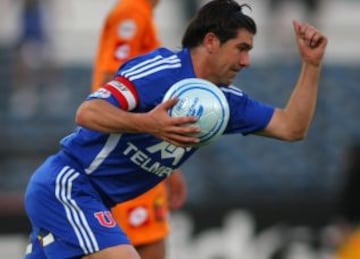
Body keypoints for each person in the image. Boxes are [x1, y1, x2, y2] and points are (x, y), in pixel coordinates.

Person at [24, 0, 328, 258]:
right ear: (211, 41)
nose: (246, 61)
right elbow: (87, 112)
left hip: (97, 199)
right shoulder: (160, 71)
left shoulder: (225, 102)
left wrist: (311, 66)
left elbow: (291, 127)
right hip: (68, 186)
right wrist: (149, 123)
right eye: (241, 48)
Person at [91, 0, 187, 258]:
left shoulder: (140, 12)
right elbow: (108, 84)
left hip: (139, 154)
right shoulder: (132, 12)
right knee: (149, 247)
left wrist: (168, 167)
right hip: (128, 159)